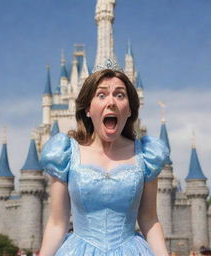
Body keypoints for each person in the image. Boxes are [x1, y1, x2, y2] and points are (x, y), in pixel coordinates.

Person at [39, 59, 170, 256]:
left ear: (130, 109)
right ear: (88, 109)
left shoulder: (146, 155)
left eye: (120, 95)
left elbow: (149, 220)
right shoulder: (65, 154)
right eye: (101, 95)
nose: (111, 102)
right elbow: (58, 223)